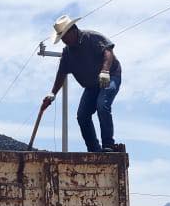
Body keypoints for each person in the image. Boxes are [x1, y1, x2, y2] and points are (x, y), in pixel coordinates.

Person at [42, 15, 122, 153]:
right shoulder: (67, 54)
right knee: (82, 115)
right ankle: (94, 150)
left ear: (74, 30)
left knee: (102, 105)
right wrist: (52, 94)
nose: (65, 41)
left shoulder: (92, 37)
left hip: (109, 76)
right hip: (91, 86)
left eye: (66, 36)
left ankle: (108, 145)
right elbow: (61, 75)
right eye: (62, 39)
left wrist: (105, 71)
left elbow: (108, 52)